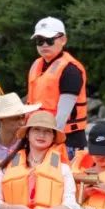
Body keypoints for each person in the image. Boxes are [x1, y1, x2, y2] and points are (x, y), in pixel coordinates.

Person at [26, 17, 88, 158]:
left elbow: (62, 116)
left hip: (66, 141)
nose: (44, 45)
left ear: (63, 40)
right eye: (40, 40)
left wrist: (50, 141)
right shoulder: (37, 65)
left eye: (50, 40)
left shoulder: (70, 70)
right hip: (40, 136)